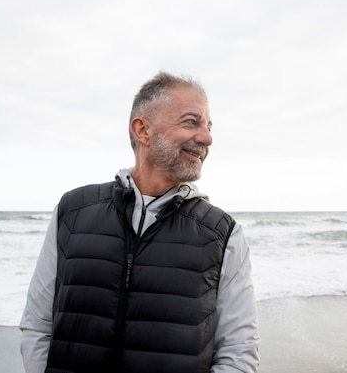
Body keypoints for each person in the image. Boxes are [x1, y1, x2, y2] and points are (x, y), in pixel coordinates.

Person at [20, 72, 260, 373]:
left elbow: (239, 351)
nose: (207, 137)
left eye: (208, 126)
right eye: (191, 122)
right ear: (143, 130)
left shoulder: (222, 234)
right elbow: (37, 325)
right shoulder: (72, 212)